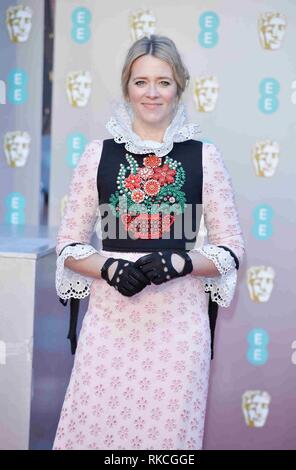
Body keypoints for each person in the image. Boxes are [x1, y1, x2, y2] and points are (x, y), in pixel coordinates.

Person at [53, 35, 245, 450]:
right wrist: (107, 267)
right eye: (141, 82)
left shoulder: (204, 157)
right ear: (126, 87)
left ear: (179, 87)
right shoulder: (96, 155)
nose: (152, 93)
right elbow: (68, 245)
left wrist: (182, 264)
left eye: (164, 81)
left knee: (165, 444)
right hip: (109, 325)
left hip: (178, 333)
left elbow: (230, 249)